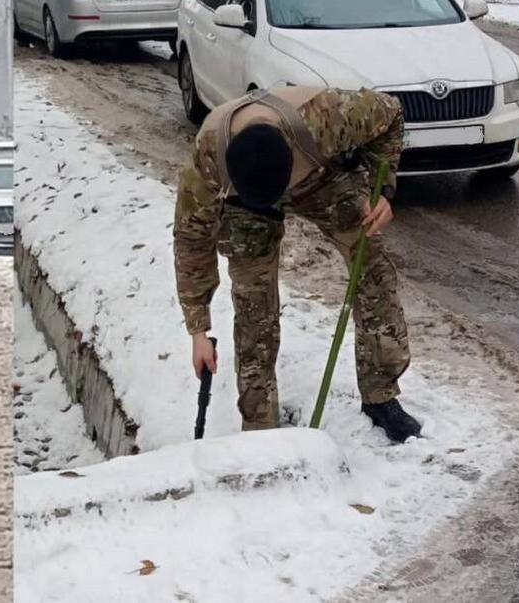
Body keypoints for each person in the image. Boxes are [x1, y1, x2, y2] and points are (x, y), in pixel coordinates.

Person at [173, 87, 421, 443]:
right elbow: (191, 241)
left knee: (374, 271)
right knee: (252, 302)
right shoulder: (208, 159)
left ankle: (381, 395)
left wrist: (385, 190)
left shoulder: (328, 118)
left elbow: (392, 114)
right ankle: (259, 424)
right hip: (245, 205)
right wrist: (198, 330)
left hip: (320, 180)